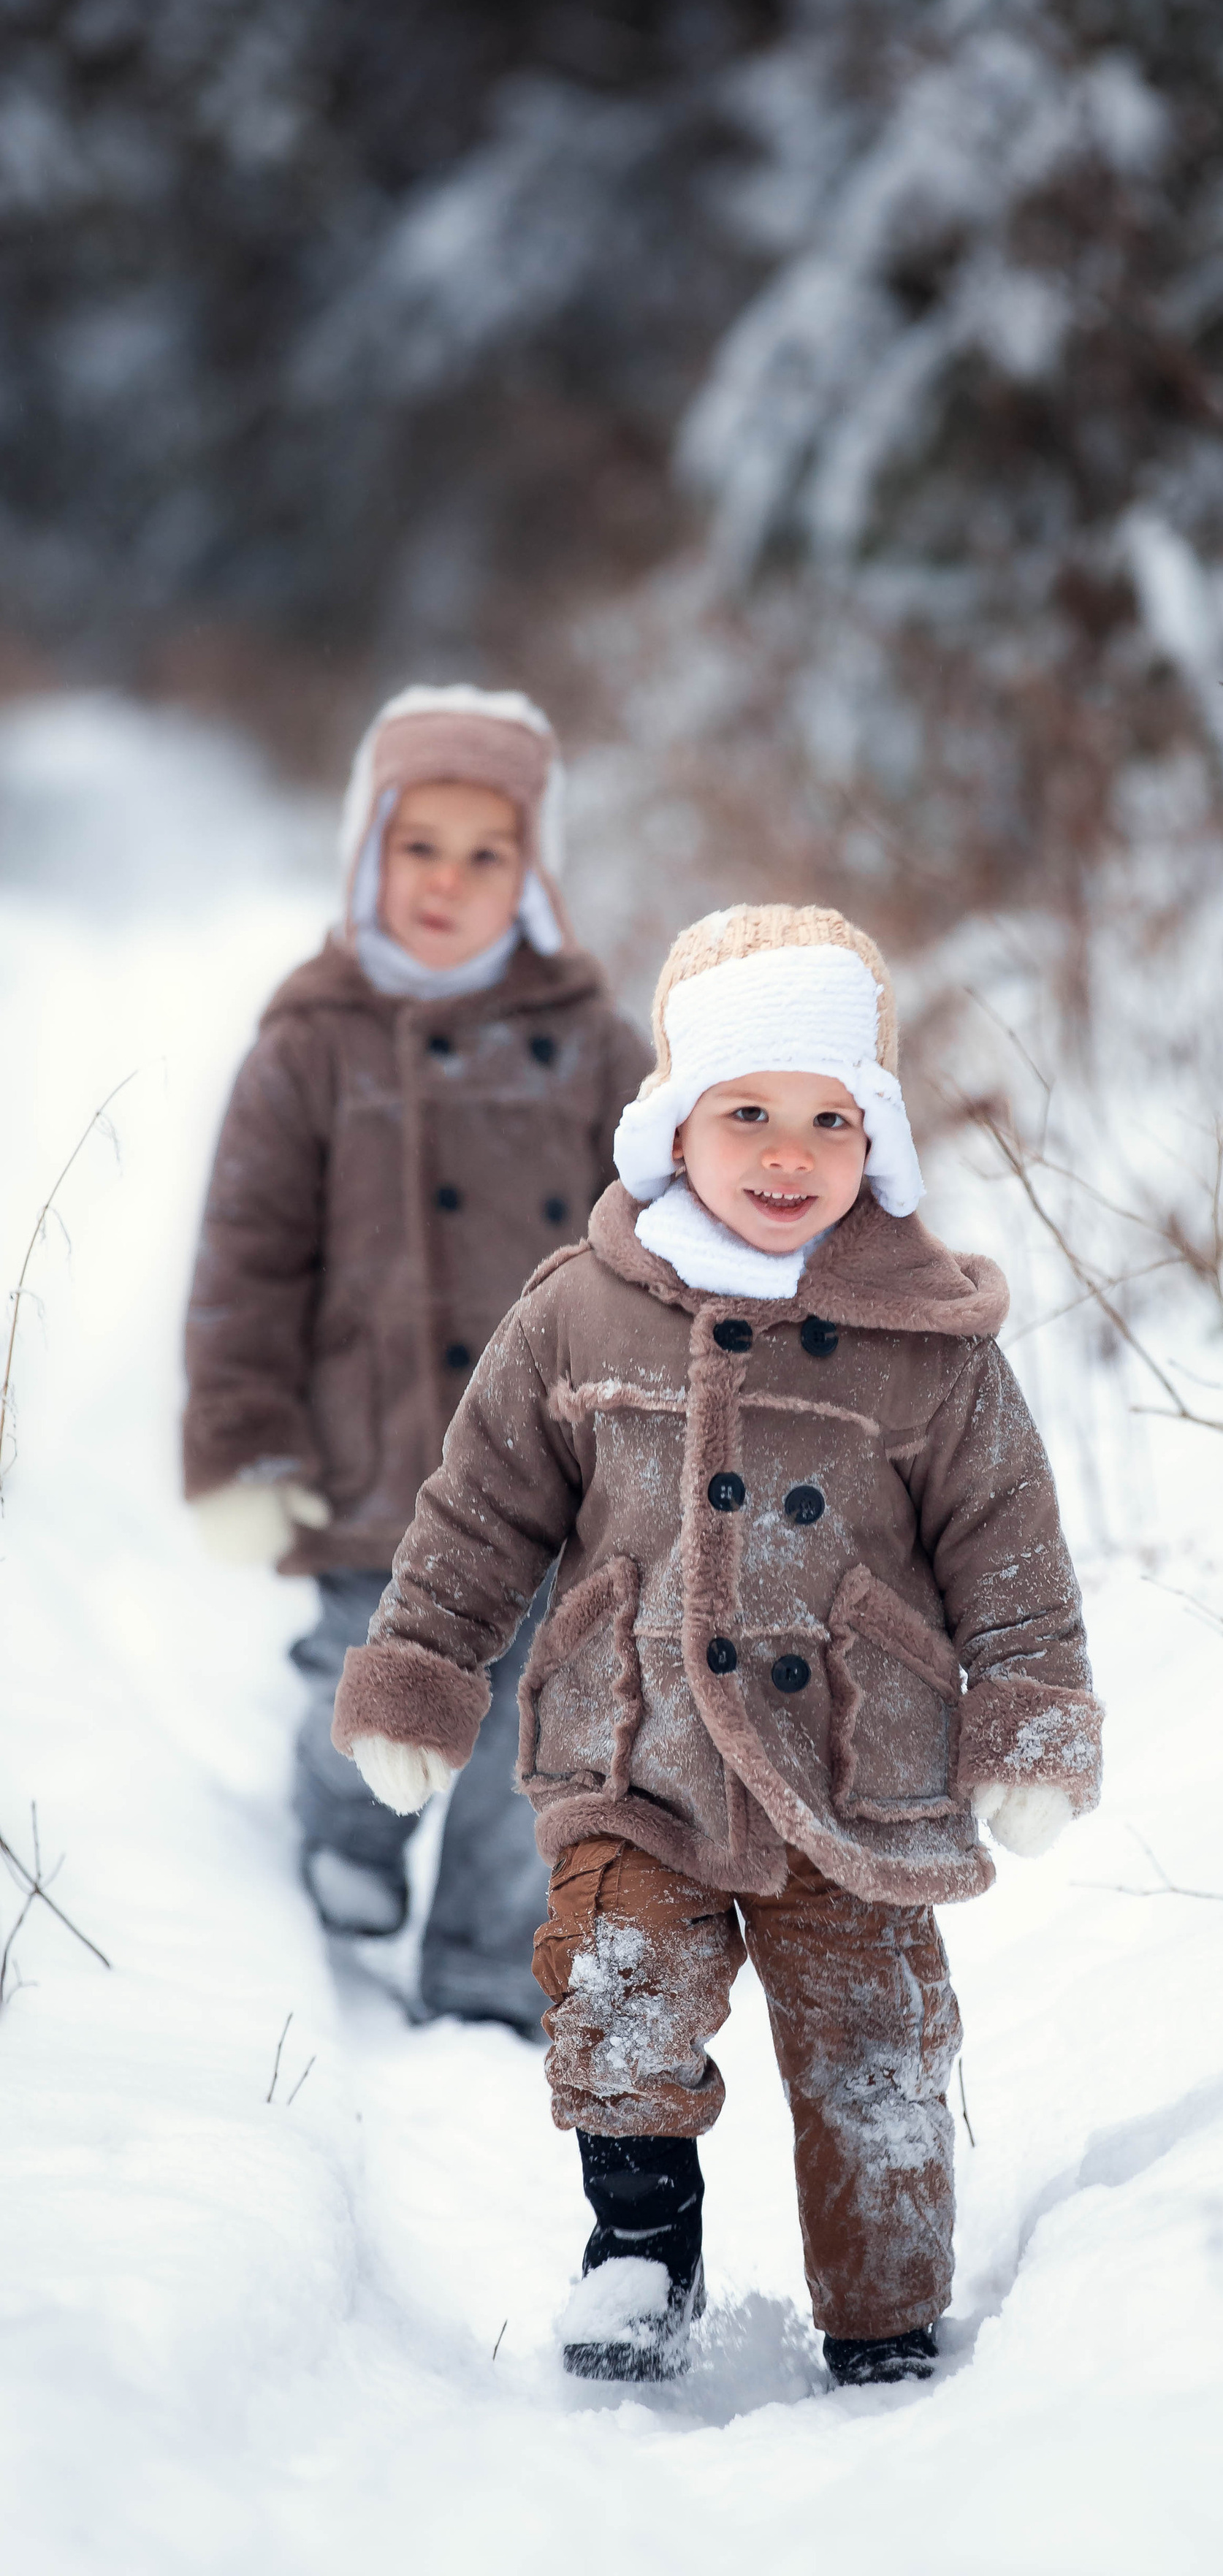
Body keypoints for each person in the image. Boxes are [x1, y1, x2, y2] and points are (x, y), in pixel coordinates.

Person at [329, 902, 1102, 2385]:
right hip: (639, 1752)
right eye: (744, 1112)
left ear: (874, 1137)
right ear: (672, 1121)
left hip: (853, 1770)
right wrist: (423, 1682)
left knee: (876, 2045)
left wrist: (1030, 1727)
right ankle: (636, 2265)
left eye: (828, 1118)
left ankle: (886, 2321)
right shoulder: (582, 1313)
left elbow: (1009, 1556)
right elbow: (478, 1513)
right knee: (616, 1990)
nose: (785, 1154)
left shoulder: (929, 1344)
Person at [183, 684, 651, 2030]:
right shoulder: (308, 1046)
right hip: (366, 1456)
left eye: (485, 853)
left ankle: (484, 1958)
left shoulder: (589, 1044)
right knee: (364, 1667)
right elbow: (246, 1261)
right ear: (365, 851)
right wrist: (245, 1439)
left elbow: (647, 1239)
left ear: (533, 870)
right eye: (418, 847)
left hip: (546, 1471)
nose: (448, 881)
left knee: (528, 1715)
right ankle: (350, 1838)